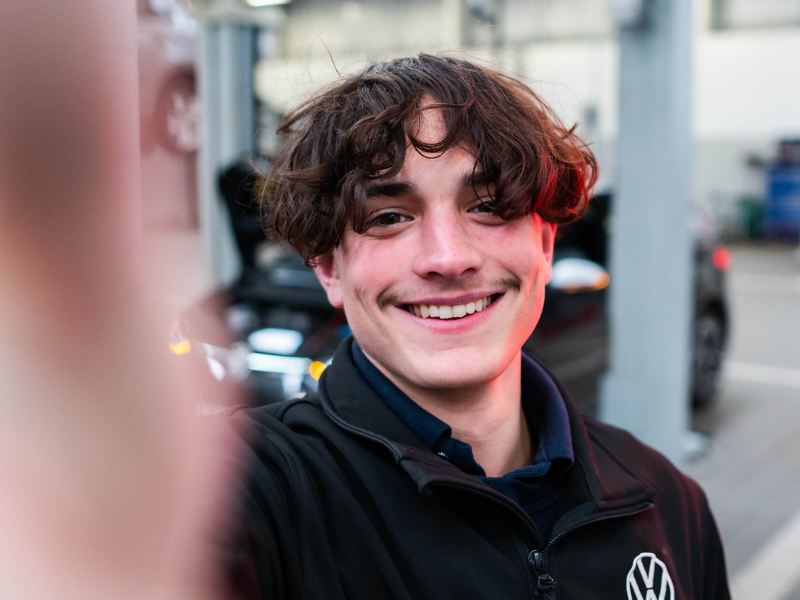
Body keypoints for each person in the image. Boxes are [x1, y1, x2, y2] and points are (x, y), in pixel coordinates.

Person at [219, 54, 730, 599]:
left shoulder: (668, 504)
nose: (448, 257)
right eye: (390, 216)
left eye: (489, 205)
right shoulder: (235, 494)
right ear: (328, 267)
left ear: (545, 243)